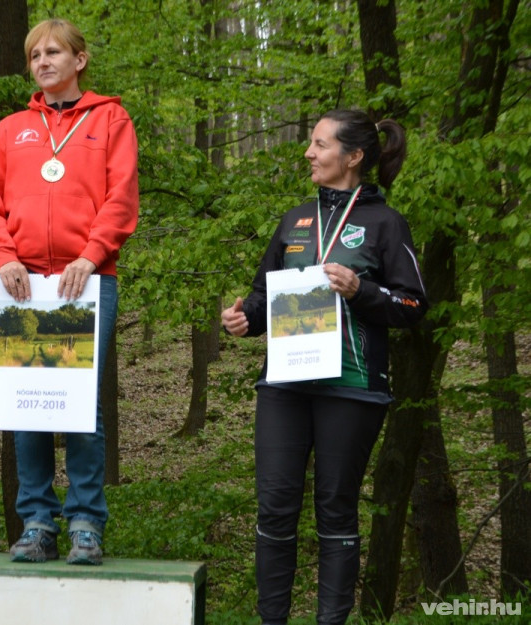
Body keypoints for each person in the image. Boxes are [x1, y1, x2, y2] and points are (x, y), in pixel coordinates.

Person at [221, 110, 427, 624]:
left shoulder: (385, 223)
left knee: (335, 510)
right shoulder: (295, 219)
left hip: (352, 388)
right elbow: (263, 293)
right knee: (274, 508)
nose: (309, 153)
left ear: (353, 156)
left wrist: (363, 291)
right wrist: (244, 317)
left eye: (319, 144)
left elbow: (414, 307)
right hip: (284, 386)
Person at [0, 18, 139, 565]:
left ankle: (86, 522)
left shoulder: (110, 119)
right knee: (28, 402)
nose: (42, 61)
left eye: (53, 52)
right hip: (23, 284)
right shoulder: (9, 130)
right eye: (34, 55)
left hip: (87, 280)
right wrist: (3, 256)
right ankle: (38, 521)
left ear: (79, 60)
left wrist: (91, 255)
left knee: (79, 403)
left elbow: (121, 196)